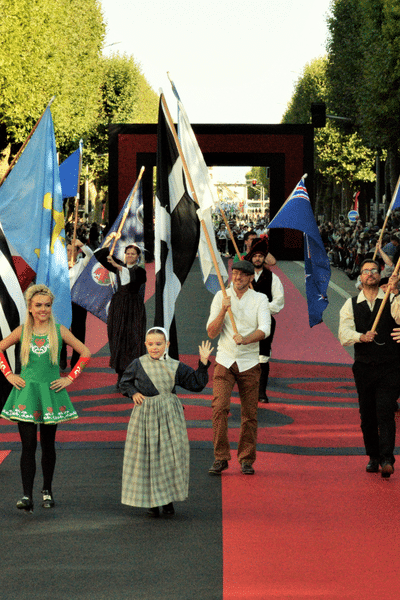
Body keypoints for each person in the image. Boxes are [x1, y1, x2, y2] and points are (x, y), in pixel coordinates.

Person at [0, 284, 91, 511]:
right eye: (38, 305)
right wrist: (9, 374)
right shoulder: (22, 331)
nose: (43, 309)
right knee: (28, 446)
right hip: (26, 394)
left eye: (47, 305)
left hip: (51, 393)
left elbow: (86, 352)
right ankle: (26, 495)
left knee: (48, 445)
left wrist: (70, 378)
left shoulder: (60, 331)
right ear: (29, 308)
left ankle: (47, 490)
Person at [119, 327, 213, 518]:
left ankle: (167, 500)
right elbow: (124, 382)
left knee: (169, 457)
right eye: (151, 344)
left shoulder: (175, 366)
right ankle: (152, 502)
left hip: (170, 416)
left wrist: (203, 363)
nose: (154, 347)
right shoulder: (138, 364)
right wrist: (133, 392)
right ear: (145, 344)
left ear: (167, 345)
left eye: (159, 344)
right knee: (148, 456)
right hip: (145, 416)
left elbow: (196, 383)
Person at [206, 260, 271, 476]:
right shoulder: (221, 297)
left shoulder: (260, 299)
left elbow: (264, 330)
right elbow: (211, 332)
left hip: (250, 363)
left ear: (251, 278)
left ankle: (246, 458)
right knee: (219, 408)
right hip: (224, 360)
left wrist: (245, 339)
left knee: (249, 414)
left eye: (243, 275)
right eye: (234, 273)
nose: (237, 278)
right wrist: (223, 311)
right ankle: (220, 457)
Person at [338, 260, 400, 477]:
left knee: (385, 410)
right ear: (360, 278)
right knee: (367, 414)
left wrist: (396, 292)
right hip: (364, 367)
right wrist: (361, 336)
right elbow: (344, 334)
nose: (370, 274)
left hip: (390, 366)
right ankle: (373, 457)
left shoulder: (392, 299)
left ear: (380, 274)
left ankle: (387, 459)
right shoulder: (351, 303)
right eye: (366, 271)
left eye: (374, 270)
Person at [94, 232, 146, 383]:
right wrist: (109, 239)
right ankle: (120, 373)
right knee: (117, 337)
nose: (129, 256)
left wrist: (116, 265)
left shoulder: (140, 271)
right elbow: (99, 254)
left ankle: (132, 373)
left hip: (134, 308)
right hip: (118, 306)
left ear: (137, 256)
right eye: (127, 253)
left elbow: (131, 278)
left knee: (134, 339)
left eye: (132, 254)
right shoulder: (120, 266)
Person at [244, 238, 285, 402]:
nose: (258, 259)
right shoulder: (244, 277)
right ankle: (247, 391)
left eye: (261, 256)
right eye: (255, 256)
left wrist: (262, 307)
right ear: (251, 257)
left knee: (263, 356)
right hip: (246, 321)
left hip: (266, 322)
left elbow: (279, 302)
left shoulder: (273, 278)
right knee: (246, 355)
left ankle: (261, 393)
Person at [60, 238, 94, 370]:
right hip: (62, 302)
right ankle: (61, 356)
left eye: (72, 250)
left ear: (77, 251)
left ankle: (76, 360)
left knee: (78, 331)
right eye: (67, 250)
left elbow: (91, 256)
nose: (69, 253)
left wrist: (82, 245)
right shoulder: (59, 264)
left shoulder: (81, 263)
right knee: (61, 330)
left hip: (78, 302)